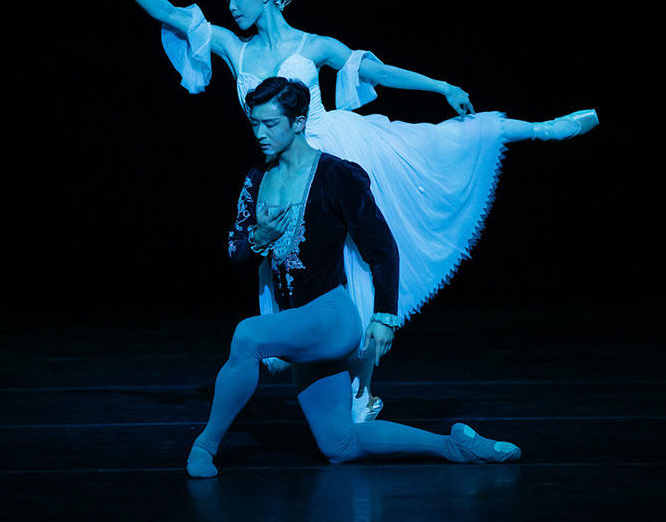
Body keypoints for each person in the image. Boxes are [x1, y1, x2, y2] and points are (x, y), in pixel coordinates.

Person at [66, 0, 598, 418]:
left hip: (337, 153)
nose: (229, 6)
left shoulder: (311, 45)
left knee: (417, 176)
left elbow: (379, 70)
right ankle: (352, 386)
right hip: (289, 173)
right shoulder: (233, 48)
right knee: (320, 275)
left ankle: (534, 128)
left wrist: (440, 85)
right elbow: (169, 14)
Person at [186, 76, 521, 478]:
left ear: (297, 122)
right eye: (255, 123)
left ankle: (204, 445)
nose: (260, 133)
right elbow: (235, 251)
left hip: (330, 317)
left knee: (247, 335)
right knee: (340, 445)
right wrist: (260, 237)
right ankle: (454, 446)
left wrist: (384, 316)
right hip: (300, 327)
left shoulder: (336, 175)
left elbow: (382, 248)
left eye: (270, 123)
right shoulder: (256, 181)